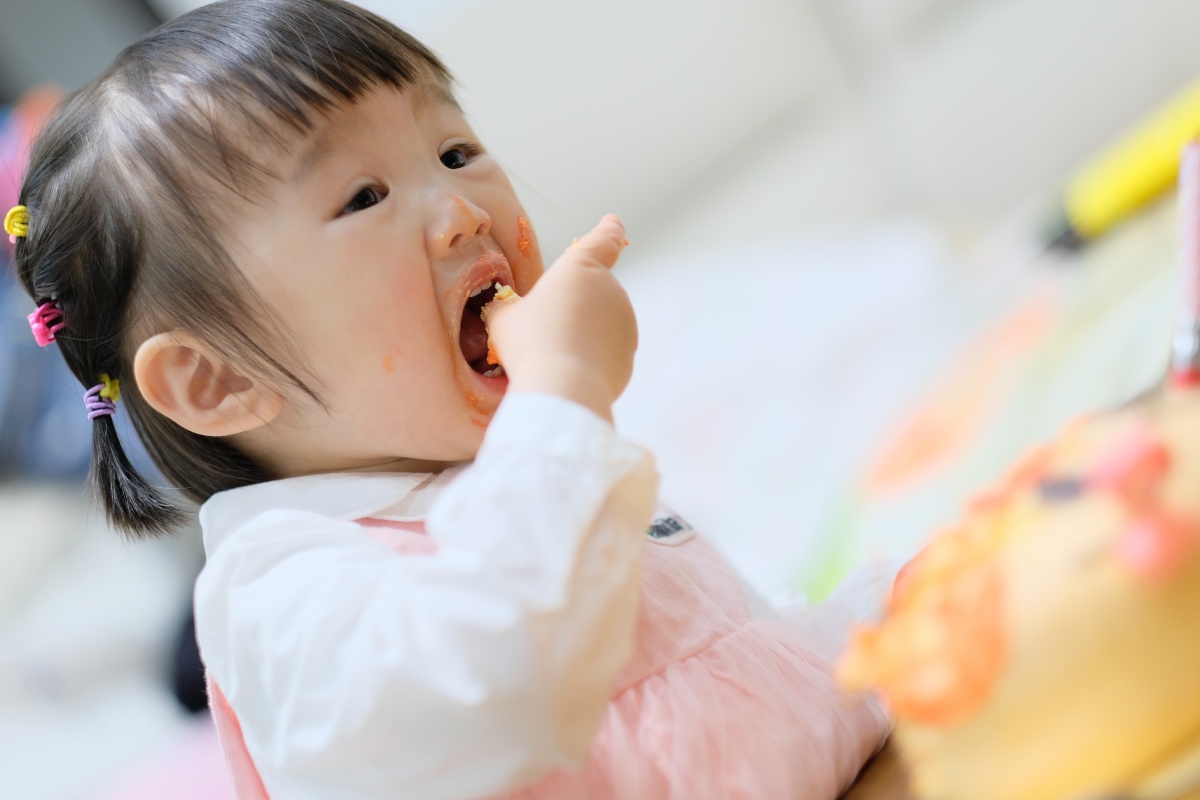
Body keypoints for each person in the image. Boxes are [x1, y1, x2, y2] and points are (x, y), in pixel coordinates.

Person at [8, 1, 892, 797]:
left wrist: (886, 618)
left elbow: (743, 658)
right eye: (363, 196)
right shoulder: (282, 593)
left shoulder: (533, 471)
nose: (462, 209)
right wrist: (562, 400)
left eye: (455, 150)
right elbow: (501, 676)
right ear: (221, 380)